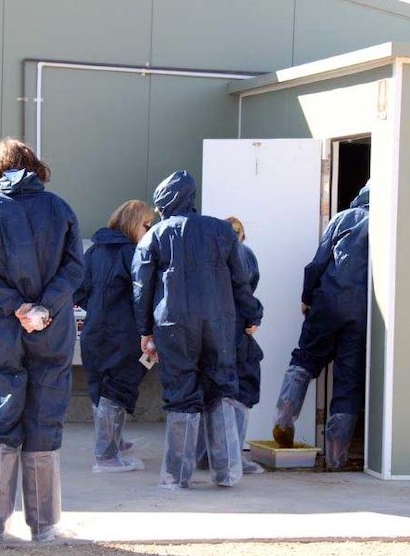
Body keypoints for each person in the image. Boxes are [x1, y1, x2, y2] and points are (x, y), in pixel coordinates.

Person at [0, 138, 83, 542]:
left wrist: (16, 306)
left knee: (1, 415)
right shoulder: (60, 208)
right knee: (44, 416)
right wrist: (44, 307)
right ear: (35, 166)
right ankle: (45, 525)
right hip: (51, 327)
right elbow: (73, 267)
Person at [133, 170, 263, 489]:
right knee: (221, 389)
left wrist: (144, 330)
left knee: (181, 394)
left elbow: (141, 287)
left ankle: (177, 476)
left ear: (165, 202)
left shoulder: (155, 236)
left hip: (173, 325)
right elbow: (240, 281)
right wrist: (252, 315)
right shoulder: (222, 231)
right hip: (219, 325)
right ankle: (228, 472)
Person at [272, 182, 370, 470]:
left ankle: (284, 421)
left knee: (306, 359)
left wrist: (306, 297)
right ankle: (336, 459)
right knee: (347, 382)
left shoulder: (343, 218)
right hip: (363, 312)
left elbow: (318, 263)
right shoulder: (389, 223)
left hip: (328, 301)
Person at [75, 200, 155, 473]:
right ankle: (106, 456)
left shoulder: (95, 252)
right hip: (124, 334)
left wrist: (100, 308)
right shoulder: (134, 255)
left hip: (94, 331)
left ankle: (114, 443)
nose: (150, 231)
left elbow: (79, 292)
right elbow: (143, 296)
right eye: (147, 225)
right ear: (135, 224)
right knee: (116, 390)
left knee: (102, 389)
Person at [196, 216, 265, 475]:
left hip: (207, 332)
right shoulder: (243, 253)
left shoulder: (203, 259)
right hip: (235, 330)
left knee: (211, 389)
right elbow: (245, 289)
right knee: (242, 388)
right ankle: (232, 457)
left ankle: (205, 455)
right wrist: (254, 315)